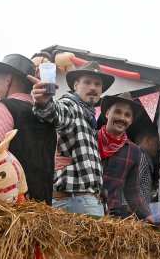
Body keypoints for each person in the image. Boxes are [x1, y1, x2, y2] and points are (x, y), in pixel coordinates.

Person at [28, 61, 115, 216]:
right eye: (87, 82)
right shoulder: (72, 104)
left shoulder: (88, 116)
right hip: (77, 200)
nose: (93, 88)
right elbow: (57, 113)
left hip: (78, 200)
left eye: (97, 84)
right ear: (75, 86)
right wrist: (45, 103)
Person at [0, 54, 57, 205]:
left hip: (9, 211)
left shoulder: (4, 107)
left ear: (8, 79)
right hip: (42, 211)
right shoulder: (49, 119)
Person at [99, 92, 160, 225]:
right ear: (107, 114)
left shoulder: (134, 151)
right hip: (86, 209)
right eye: (117, 112)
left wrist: (148, 215)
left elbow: (133, 191)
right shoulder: (90, 139)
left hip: (114, 217)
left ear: (131, 120)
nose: (122, 118)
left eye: (127, 115)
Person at [121, 126, 160, 216]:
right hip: (134, 213)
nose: (159, 148)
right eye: (157, 143)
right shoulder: (140, 156)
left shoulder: (133, 154)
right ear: (147, 140)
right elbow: (129, 182)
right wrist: (126, 207)